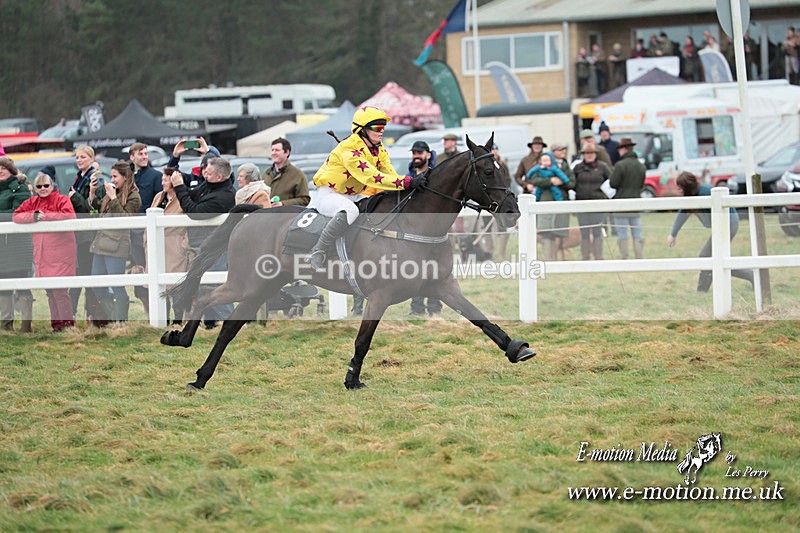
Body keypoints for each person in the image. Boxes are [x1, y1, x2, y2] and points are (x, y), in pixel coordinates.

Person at [308, 106, 425, 270]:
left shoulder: (379, 148)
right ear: (362, 130)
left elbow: (389, 173)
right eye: (377, 128)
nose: (381, 132)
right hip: (329, 195)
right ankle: (318, 251)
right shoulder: (348, 149)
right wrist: (407, 182)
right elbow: (372, 177)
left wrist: (411, 183)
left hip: (354, 195)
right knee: (351, 211)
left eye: (383, 128)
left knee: (378, 209)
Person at [170, 156, 236, 328]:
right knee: (204, 284)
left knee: (214, 284)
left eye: (208, 172)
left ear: (220, 177)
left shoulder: (224, 196)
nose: (204, 174)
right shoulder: (210, 186)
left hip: (218, 247)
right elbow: (192, 196)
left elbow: (194, 211)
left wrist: (179, 187)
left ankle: (228, 321)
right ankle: (211, 323)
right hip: (207, 245)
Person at [12, 168, 77, 331]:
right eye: (39, 186)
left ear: (52, 185)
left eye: (46, 185)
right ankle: (56, 325)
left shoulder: (62, 200)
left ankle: (67, 325)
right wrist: (33, 216)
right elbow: (16, 216)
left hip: (61, 255)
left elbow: (70, 216)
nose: (43, 189)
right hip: (42, 255)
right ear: (34, 187)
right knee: (50, 292)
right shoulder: (33, 202)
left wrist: (45, 216)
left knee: (60, 293)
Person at [667, 172, 754, 292]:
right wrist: (673, 234)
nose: (678, 191)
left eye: (679, 188)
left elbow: (712, 216)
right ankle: (750, 276)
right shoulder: (693, 195)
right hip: (722, 226)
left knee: (708, 256)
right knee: (716, 258)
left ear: (686, 188)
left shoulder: (706, 192)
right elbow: (683, 213)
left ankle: (702, 291)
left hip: (728, 225)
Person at [89, 161, 141, 324]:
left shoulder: (133, 196)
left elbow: (125, 220)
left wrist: (112, 197)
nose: (112, 179)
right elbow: (95, 214)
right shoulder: (110, 193)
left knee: (117, 285)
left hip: (117, 245)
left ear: (125, 177)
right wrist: (92, 194)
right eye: (111, 176)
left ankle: (121, 322)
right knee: (96, 283)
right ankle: (112, 318)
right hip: (100, 243)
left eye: (115, 176)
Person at [147, 168, 190, 324]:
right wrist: (147, 240)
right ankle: (162, 319)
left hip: (175, 247)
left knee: (176, 285)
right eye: (163, 179)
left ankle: (178, 320)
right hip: (157, 246)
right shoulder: (159, 197)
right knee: (160, 286)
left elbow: (189, 222)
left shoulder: (183, 197)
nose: (162, 182)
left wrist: (183, 244)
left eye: (166, 179)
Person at [405, 141, 442, 318]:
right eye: (414, 153)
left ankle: (434, 308)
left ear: (428, 154)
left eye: (419, 152)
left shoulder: (436, 175)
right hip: (413, 230)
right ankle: (416, 308)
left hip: (433, 231)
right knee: (415, 270)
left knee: (434, 269)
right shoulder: (409, 174)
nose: (416, 156)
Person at [67, 145, 103, 322]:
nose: (79, 160)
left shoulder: (93, 178)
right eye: (77, 157)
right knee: (78, 273)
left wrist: (74, 197)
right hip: (78, 233)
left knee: (86, 273)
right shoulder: (80, 177)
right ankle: (73, 313)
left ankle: (91, 313)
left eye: (82, 157)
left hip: (88, 234)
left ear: (91, 159)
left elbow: (92, 207)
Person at [128, 142, 163, 316]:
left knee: (153, 272)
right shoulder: (127, 176)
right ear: (132, 157)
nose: (144, 157)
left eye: (145, 153)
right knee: (138, 274)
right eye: (140, 154)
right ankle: (148, 315)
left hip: (148, 233)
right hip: (130, 233)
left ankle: (158, 315)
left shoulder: (156, 176)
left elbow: (159, 202)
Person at [0, 157, 34, 332]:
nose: (0, 171)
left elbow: (18, 212)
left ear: (11, 170)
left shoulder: (20, 187)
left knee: (21, 283)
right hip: (1, 246)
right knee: (3, 284)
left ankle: (26, 325)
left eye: (3, 168)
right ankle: (6, 324)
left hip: (18, 244)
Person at [525, 151, 574, 261]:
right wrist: (550, 181)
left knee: (560, 232)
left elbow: (571, 183)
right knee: (546, 233)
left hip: (560, 204)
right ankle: (548, 260)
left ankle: (562, 260)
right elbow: (534, 180)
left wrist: (561, 182)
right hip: (544, 202)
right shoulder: (539, 168)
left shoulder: (564, 168)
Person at [609, 137, 646, 259]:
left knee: (623, 233)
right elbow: (641, 184)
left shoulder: (620, 165)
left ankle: (624, 257)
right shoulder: (641, 166)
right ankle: (639, 256)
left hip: (621, 204)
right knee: (637, 233)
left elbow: (613, 183)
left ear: (624, 149)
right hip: (636, 203)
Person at [573, 145, 612, 260]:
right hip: (582, 204)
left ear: (595, 154)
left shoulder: (603, 167)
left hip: (598, 205)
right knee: (584, 232)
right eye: (586, 153)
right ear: (583, 154)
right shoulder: (577, 168)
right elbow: (572, 183)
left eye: (591, 153)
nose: (589, 155)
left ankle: (598, 256)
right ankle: (585, 257)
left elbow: (611, 182)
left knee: (597, 231)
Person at [262, 138, 310, 206]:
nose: (273, 153)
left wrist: (283, 204)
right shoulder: (266, 174)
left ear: (287, 152)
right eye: (272, 150)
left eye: (277, 150)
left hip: (288, 215)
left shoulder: (297, 175)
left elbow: (305, 200)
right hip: (267, 215)